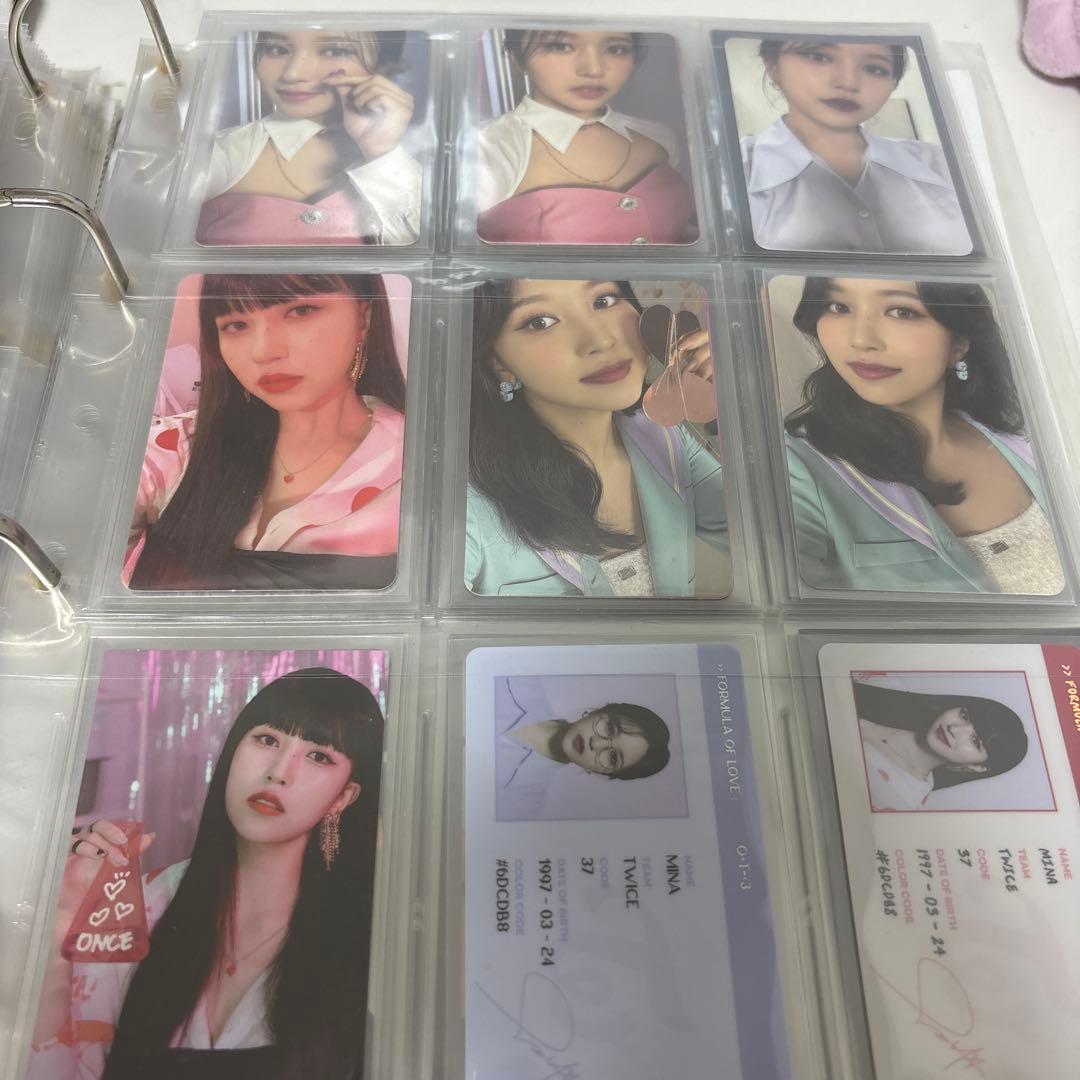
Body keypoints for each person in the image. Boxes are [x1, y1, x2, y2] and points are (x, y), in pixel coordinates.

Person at [28, 668, 385, 1079]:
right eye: (267, 739)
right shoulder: (142, 906)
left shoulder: (371, 935)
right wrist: (61, 925)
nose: (279, 771)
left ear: (343, 797)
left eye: (319, 756)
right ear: (232, 753)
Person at [125, 272, 407, 591]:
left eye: (300, 311)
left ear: (363, 318)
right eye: (236, 325)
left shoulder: (418, 466)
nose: (264, 351)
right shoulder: (178, 446)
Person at [783, 276, 1065, 594]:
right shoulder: (795, 468)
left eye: (901, 312)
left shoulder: (1025, 438)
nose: (861, 340)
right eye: (838, 307)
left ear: (958, 342)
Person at [466, 277, 728, 597]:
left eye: (604, 301)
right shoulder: (467, 501)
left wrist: (734, 406)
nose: (600, 340)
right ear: (498, 362)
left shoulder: (665, 439)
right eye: (541, 322)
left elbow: (777, 540)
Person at [739, 39, 971, 254]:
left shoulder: (945, 164)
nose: (848, 82)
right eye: (819, 57)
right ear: (773, 65)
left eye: (874, 69)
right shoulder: (731, 173)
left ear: (892, 83)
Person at [196, 29, 421, 246]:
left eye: (334, 51)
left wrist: (381, 152)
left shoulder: (419, 163)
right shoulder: (219, 153)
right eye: (277, 49)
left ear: (385, 62)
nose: (293, 74)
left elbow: (422, 263)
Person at [474, 29, 698, 244]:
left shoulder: (658, 138)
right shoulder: (487, 150)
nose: (594, 70)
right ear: (516, 57)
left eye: (616, 49)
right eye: (561, 46)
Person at [494, 675, 671, 821]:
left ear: (600, 772)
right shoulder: (517, 679)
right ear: (597, 711)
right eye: (610, 729)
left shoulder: (522, 805)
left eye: (613, 758)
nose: (596, 744)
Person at [853, 680, 1028, 810]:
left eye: (975, 741)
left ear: (977, 767)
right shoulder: (886, 685)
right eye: (964, 716)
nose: (954, 729)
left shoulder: (900, 801)